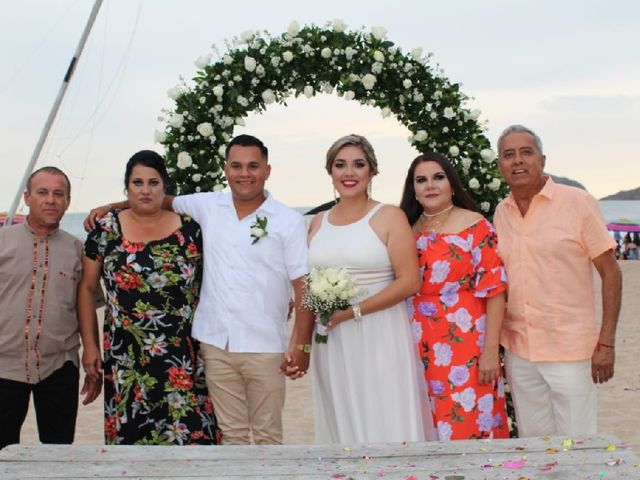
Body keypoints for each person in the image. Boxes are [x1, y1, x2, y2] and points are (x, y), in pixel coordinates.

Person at [84, 136, 311, 445]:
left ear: (267, 170)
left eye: (253, 166)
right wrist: (113, 206)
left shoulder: (289, 220)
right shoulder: (206, 205)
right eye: (236, 166)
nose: (244, 173)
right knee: (230, 436)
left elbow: (304, 286)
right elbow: (156, 199)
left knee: (269, 437)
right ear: (226, 169)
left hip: (265, 345)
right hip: (215, 344)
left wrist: (302, 344)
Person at [78, 151, 219, 445]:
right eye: (137, 182)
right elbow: (87, 289)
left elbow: (215, 283)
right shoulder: (106, 231)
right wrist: (90, 347)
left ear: (165, 187)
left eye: (153, 182)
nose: (145, 190)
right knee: (131, 447)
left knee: (192, 444)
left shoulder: (192, 231)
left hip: (183, 357)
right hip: (125, 359)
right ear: (127, 187)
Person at [494, 124, 622, 437]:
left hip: (570, 350)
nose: (518, 160)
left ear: (542, 159)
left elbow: (611, 273)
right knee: (535, 444)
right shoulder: (502, 212)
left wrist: (606, 343)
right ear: (500, 166)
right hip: (520, 350)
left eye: (527, 152)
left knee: (578, 444)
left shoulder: (577, 202)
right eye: (509, 155)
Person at [307, 134, 434, 443]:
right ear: (330, 172)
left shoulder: (389, 216)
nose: (349, 173)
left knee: (383, 413)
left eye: (358, 164)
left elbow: (409, 281)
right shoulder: (316, 222)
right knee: (343, 415)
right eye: (340, 165)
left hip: (379, 332)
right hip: (333, 338)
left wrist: (352, 312)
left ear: (372, 171)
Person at [399, 152, 510, 441]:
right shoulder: (404, 229)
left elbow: (495, 291)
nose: (430, 186)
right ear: (413, 189)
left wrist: (490, 352)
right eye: (421, 180)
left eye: (438, 177)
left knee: (468, 424)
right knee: (426, 426)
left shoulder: (475, 225)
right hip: (415, 342)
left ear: (451, 183)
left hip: (466, 343)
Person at [0, 167, 102, 450]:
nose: (50, 200)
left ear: (68, 202)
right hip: (4, 366)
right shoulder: (3, 243)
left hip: (58, 366)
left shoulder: (77, 250)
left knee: (58, 452)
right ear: (27, 197)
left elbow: (87, 304)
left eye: (59, 194)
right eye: (42, 192)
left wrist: (92, 351)